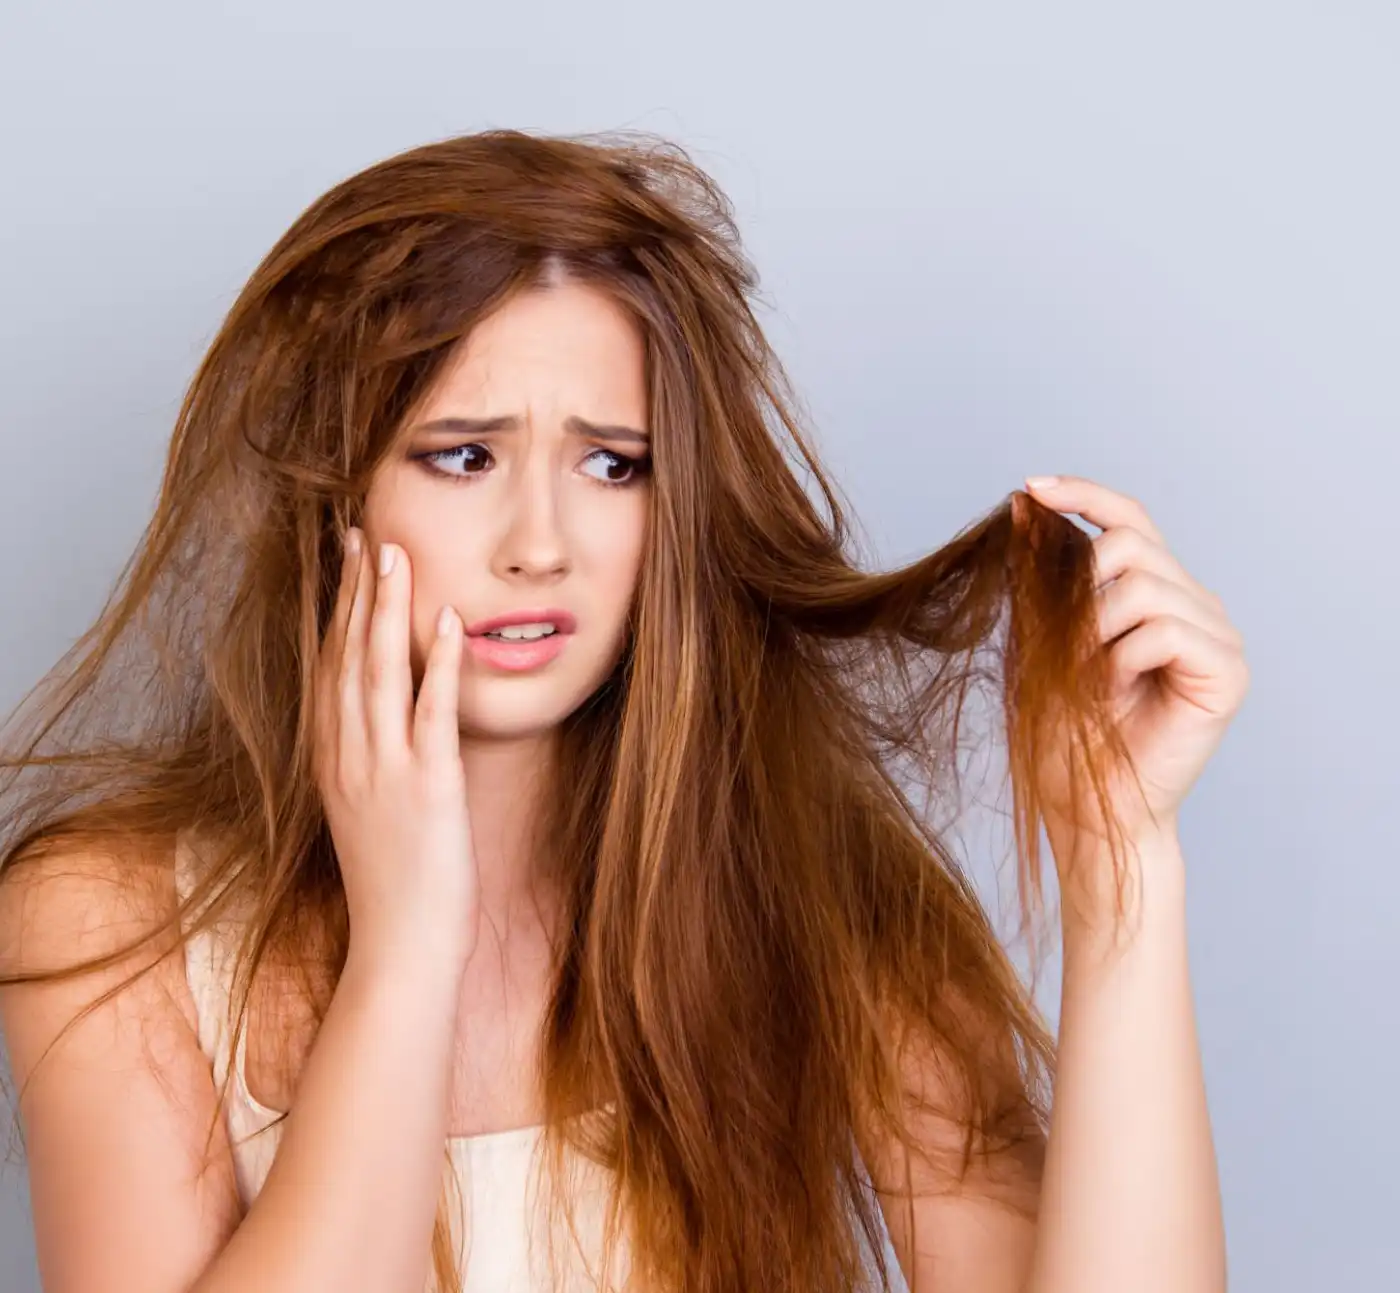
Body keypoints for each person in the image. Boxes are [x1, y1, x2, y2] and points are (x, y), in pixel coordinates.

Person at [0, 128, 1247, 1293]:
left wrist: (1117, 864)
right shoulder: (106, 926)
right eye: (463, 455)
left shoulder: (820, 899)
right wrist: (406, 945)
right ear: (333, 499)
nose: (539, 544)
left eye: (612, 464)